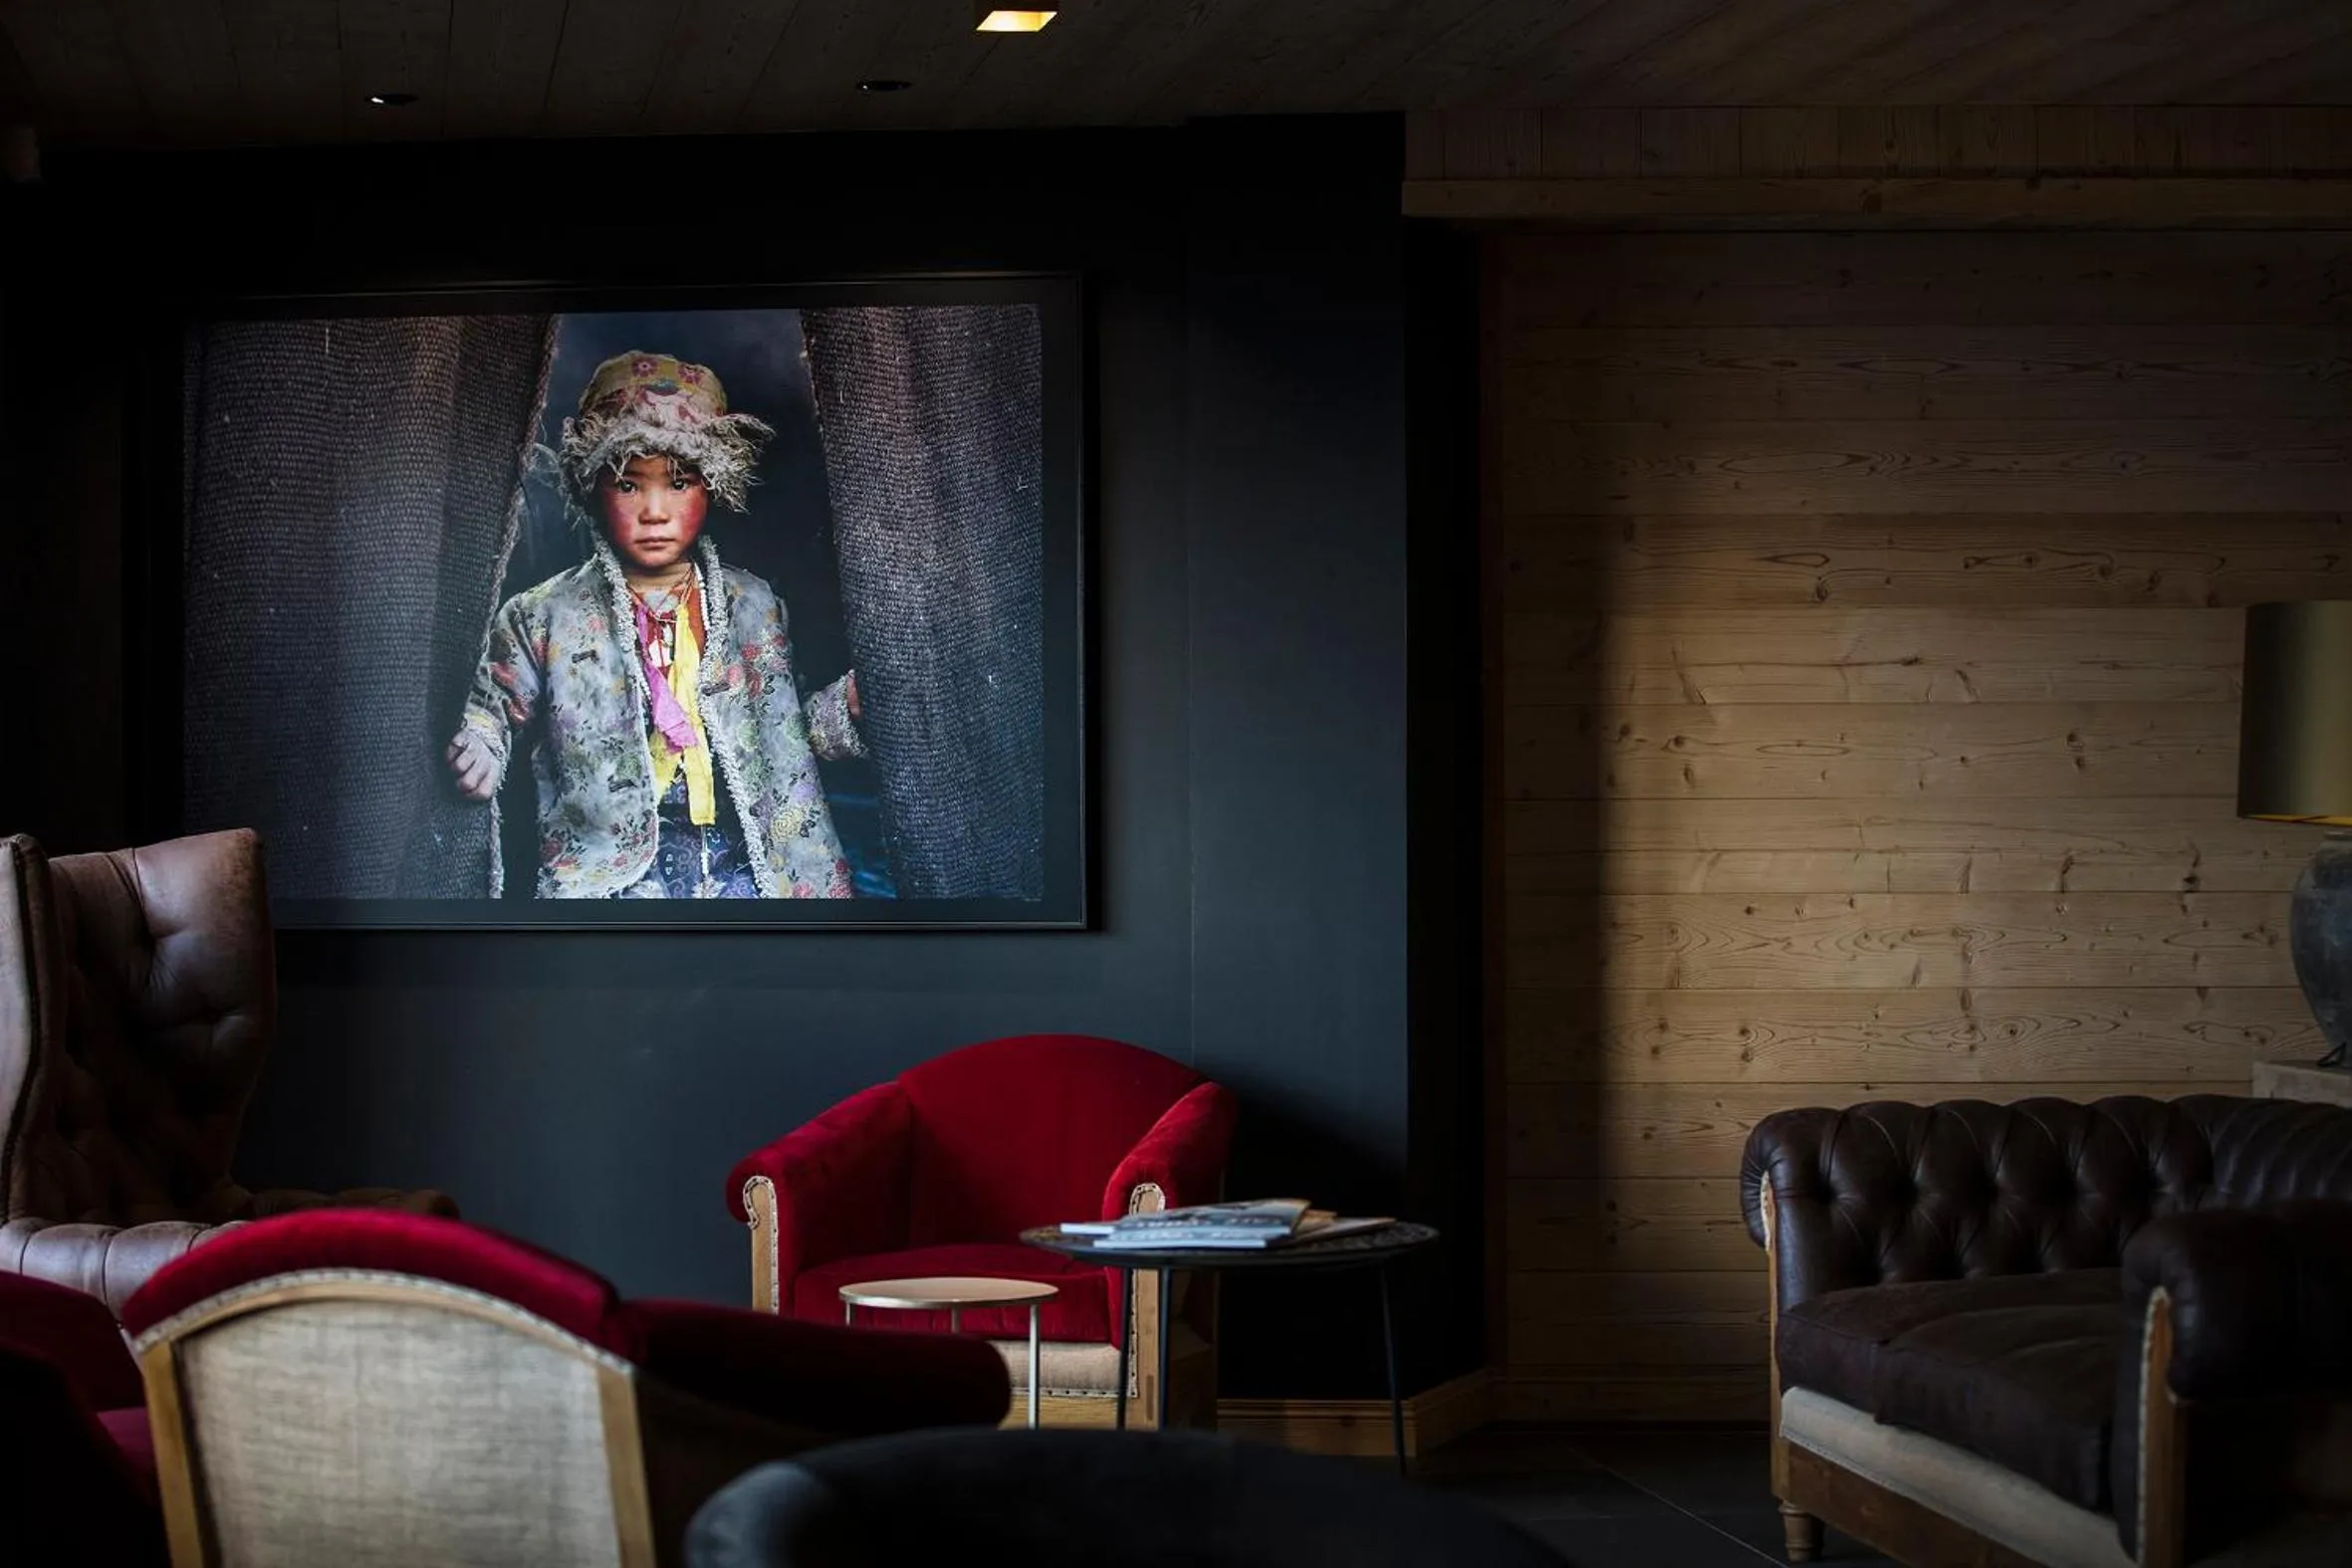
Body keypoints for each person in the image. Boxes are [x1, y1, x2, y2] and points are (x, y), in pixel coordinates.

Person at [448, 350, 866, 899]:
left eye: (678, 482)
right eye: (627, 484)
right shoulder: (544, 613)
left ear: (711, 486)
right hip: (614, 874)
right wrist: (482, 742)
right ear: (592, 485)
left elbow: (785, 734)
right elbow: (494, 706)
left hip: (749, 864)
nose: (654, 510)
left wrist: (851, 707)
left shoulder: (754, 605)